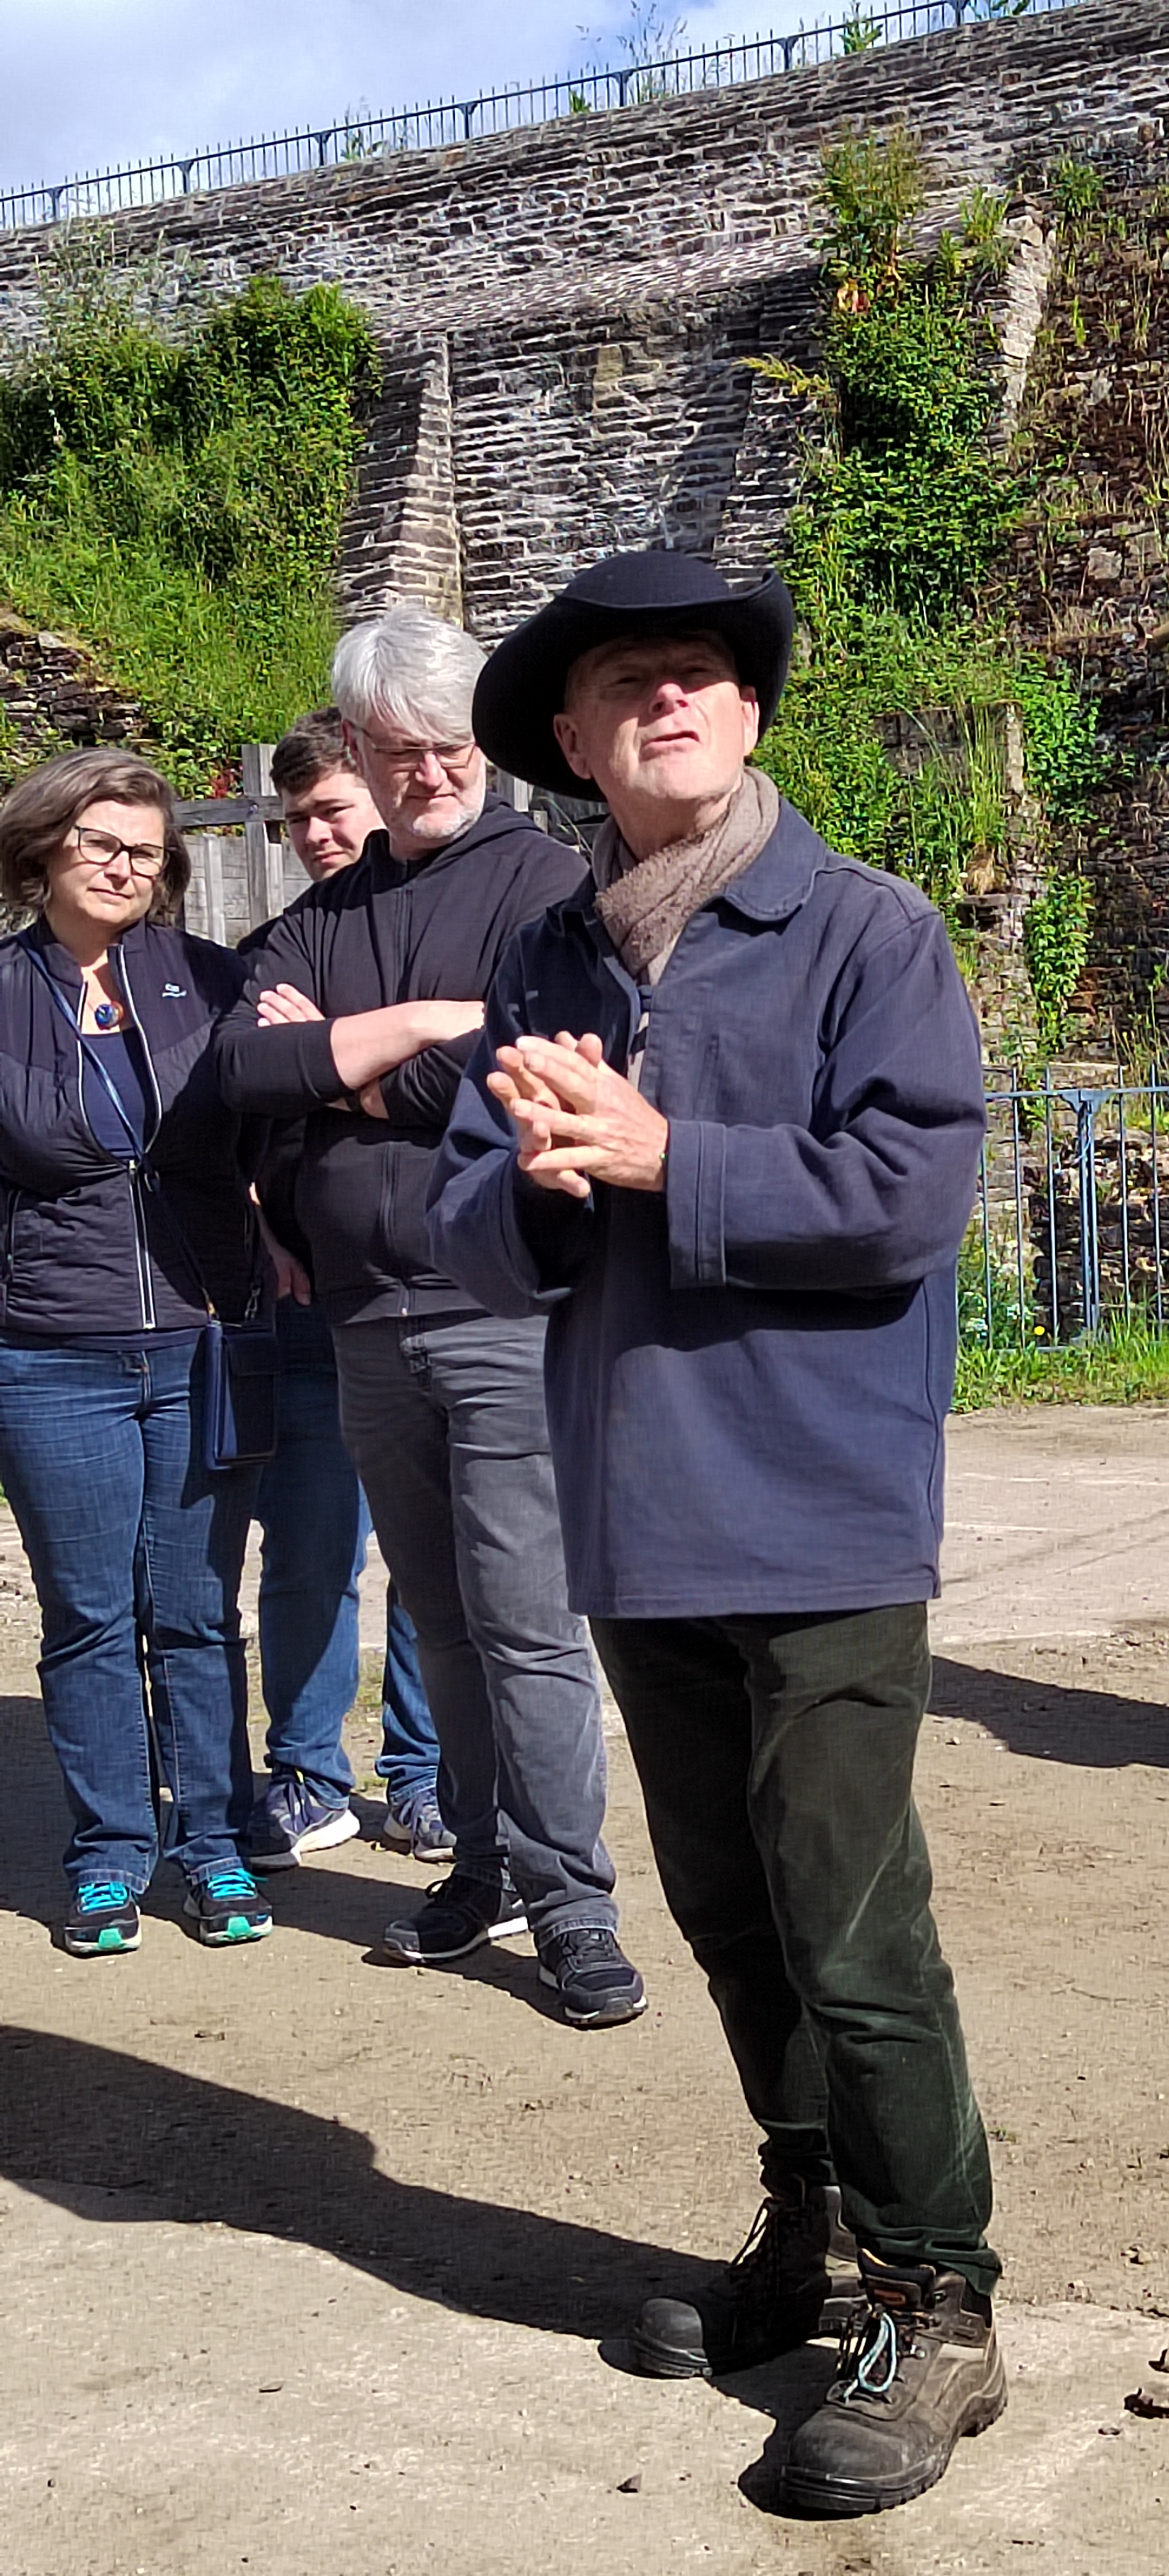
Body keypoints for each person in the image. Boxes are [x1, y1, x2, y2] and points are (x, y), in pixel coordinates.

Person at [429, 549, 1003, 2518]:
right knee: (730, 1912)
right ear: (573, 745)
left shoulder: (864, 929)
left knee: (851, 1916)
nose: (666, 700)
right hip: (636, 1510)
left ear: (749, 715)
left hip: (822, 1508)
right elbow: (472, 1229)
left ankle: (939, 2299)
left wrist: (666, 1154)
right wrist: (543, 1179)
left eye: (698, 673)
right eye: (626, 685)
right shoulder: (548, 960)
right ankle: (810, 2229)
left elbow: (907, 1195)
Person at [216, 605, 648, 2030]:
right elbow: (242, 1069)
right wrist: (415, 1030)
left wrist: (343, 1066)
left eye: (452, 743)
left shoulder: (546, 884)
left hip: (505, 1304)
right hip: (362, 1317)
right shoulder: (321, 912)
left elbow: (524, 1068)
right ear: (358, 748)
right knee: (443, 1623)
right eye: (400, 750)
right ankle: (481, 1863)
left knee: (525, 1623)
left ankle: (573, 1905)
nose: (432, 771)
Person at [0, 748, 268, 1955]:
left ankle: (215, 1845)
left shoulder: (209, 980)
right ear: (46, 845)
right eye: (102, 842)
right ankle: (110, 1854)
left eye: (147, 853)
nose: (124, 867)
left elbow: (270, 1125)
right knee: (90, 1616)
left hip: (202, 1342)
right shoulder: (3, 992)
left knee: (200, 1613)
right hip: (51, 1353)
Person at [244, 709, 450, 1869]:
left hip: (426, 1280)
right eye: (298, 820)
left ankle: (422, 1776)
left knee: (429, 1556)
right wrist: (260, 1219)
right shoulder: (275, 948)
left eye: (333, 810)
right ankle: (308, 1775)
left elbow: (468, 1079)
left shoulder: (445, 937)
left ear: (378, 791)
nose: (317, 834)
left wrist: (325, 1049)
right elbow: (239, 1100)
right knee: (313, 1548)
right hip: (307, 1297)